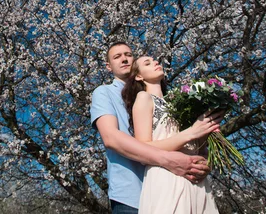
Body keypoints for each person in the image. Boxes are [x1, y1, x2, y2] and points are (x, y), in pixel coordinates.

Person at [90, 42, 212, 214]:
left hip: (174, 184)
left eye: (128, 54)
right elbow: (111, 138)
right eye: (117, 57)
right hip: (131, 193)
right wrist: (167, 159)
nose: (124, 59)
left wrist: (201, 163)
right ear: (108, 67)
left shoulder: (166, 100)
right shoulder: (104, 93)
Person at [122, 55, 222, 213]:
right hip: (166, 176)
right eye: (147, 63)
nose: (155, 62)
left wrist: (205, 132)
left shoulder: (179, 104)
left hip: (194, 178)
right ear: (139, 76)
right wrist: (190, 133)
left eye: (155, 60)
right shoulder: (144, 98)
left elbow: (196, 146)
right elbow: (143, 146)